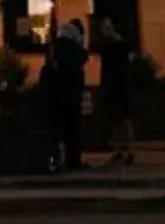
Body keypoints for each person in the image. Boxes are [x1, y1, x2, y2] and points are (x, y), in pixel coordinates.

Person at [46, 16, 89, 172]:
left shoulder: (53, 50)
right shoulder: (74, 51)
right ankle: (73, 160)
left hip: (55, 97)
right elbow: (83, 58)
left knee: (56, 131)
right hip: (71, 96)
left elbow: (47, 74)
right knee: (73, 130)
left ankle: (56, 160)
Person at [95, 13, 136, 166]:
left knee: (124, 119)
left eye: (106, 27)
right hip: (114, 85)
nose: (104, 30)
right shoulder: (107, 46)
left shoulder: (119, 45)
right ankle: (120, 150)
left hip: (120, 85)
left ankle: (128, 151)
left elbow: (127, 60)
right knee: (116, 120)